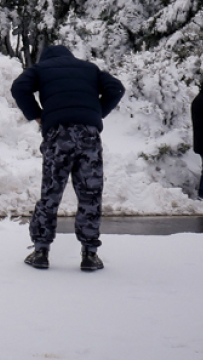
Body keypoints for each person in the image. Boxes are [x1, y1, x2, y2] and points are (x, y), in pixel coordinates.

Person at [11, 45, 125, 272]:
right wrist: (94, 112)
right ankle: (90, 254)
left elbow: (18, 88)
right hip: (89, 137)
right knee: (90, 194)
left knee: (51, 193)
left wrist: (37, 115)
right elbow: (116, 88)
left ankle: (41, 251)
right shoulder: (89, 68)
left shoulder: (41, 69)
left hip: (58, 135)